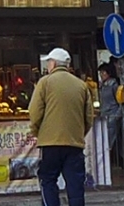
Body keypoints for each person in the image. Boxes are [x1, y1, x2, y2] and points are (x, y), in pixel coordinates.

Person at [27, 49, 90, 206]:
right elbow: (89, 116)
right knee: (75, 184)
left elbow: (34, 112)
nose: (48, 65)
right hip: (74, 144)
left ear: (53, 63)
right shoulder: (81, 85)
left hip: (50, 143)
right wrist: (79, 134)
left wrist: (36, 132)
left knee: (47, 179)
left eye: (49, 62)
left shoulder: (45, 82)